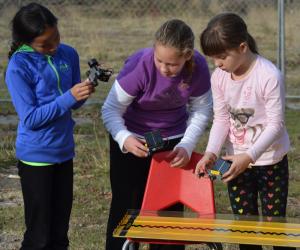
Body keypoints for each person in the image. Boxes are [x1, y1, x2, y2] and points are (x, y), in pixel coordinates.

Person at [102, 19, 212, 250]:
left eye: (172, 64)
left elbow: (201, 109)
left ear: (188, 56)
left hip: (174, 141)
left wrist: (187, 145)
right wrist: (125, 139)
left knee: (168, 210)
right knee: (127, 206)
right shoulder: (139, 65)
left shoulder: (199, 67)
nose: (164, 68)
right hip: (133, 138)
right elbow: (110, 110)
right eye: (159, 60)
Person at [195, 13, 295, 250]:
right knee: (244, 228)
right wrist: (210, 153)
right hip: (235, 163)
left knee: (275, 228)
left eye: (221, 57)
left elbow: (276, 124)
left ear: (242, 47)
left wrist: (248, 157)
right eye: (213, 59)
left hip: (270, 161)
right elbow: (221, 119)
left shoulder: (269, 75)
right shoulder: (219, 77)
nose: (217, 64)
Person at [5, 3, 95, 250]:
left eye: (56, 37)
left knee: (59, 234)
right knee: (39, 237)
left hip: (64, 153)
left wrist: (84, 92)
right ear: (26, 42)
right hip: (36, 158)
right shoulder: (18, 67)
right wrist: (69, 97)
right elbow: (31, 118)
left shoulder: (69, 54)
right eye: (45, 44)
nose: (54, 46)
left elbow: (73, 106)